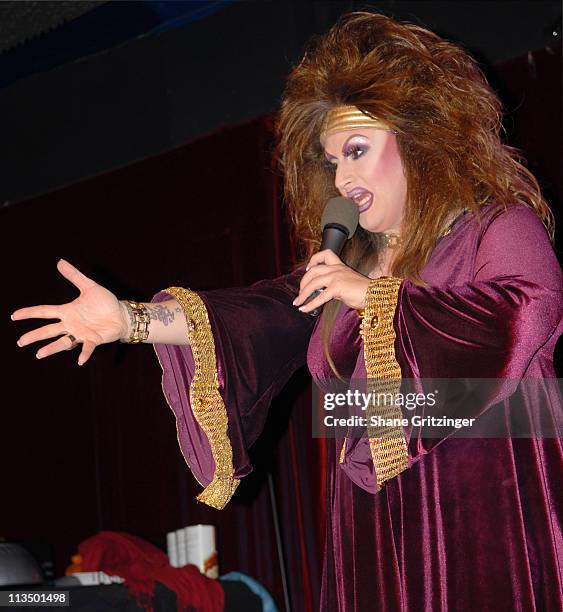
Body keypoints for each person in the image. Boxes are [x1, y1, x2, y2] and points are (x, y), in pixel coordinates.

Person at [11, 12, 563, 611]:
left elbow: (521, 315)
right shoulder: (346, 265)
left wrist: (373, 296)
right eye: (331, 163)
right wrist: (131, 321)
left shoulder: (497, 227)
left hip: (485, 506)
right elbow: (263, 315)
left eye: (356, 150)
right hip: (372, 519)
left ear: (419, 134)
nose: (343, 178)